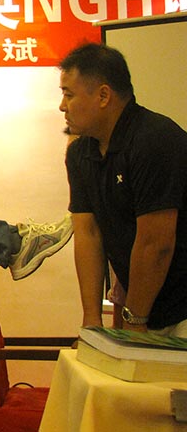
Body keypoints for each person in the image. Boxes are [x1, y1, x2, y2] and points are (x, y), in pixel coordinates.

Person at [60, 42, 187, 335]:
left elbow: (156, 244)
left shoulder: (155, 140)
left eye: (69, 94)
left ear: (103, 95)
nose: (62, 106)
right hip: (147, 308)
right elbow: (88, 233)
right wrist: (92, 322)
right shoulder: (80, 153)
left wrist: (135, 320)